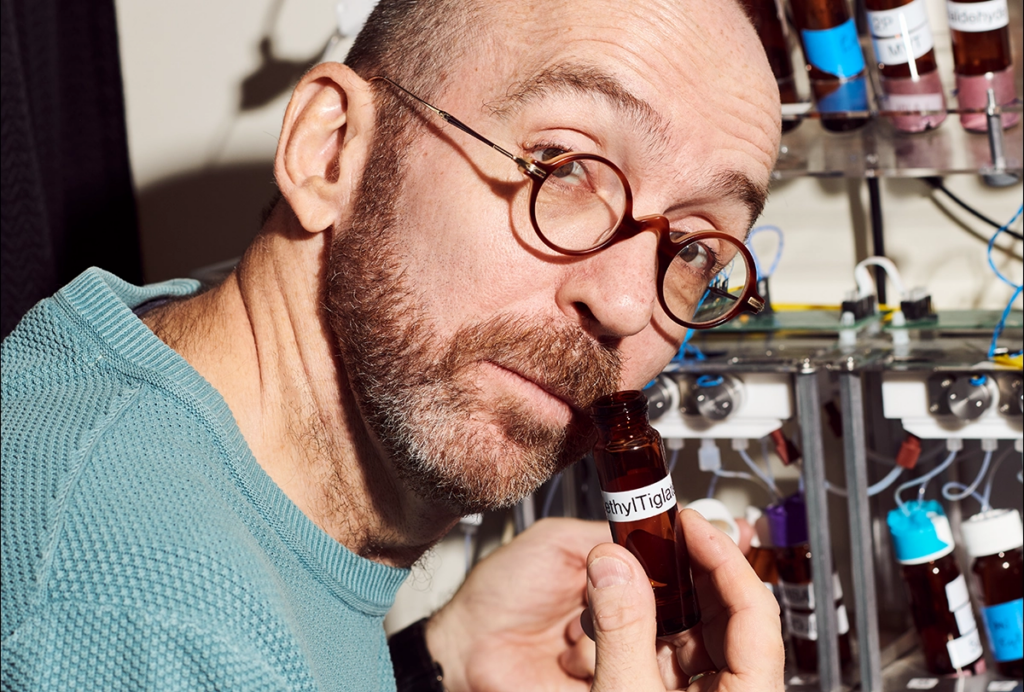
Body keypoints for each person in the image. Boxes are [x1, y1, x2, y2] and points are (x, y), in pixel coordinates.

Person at [1, 0, 784, 689]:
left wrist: (435, 665)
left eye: (696, 252)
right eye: (566, 166)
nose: (622, 302)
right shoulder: (144, 611)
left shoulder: (159, 391)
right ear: (331, 149)